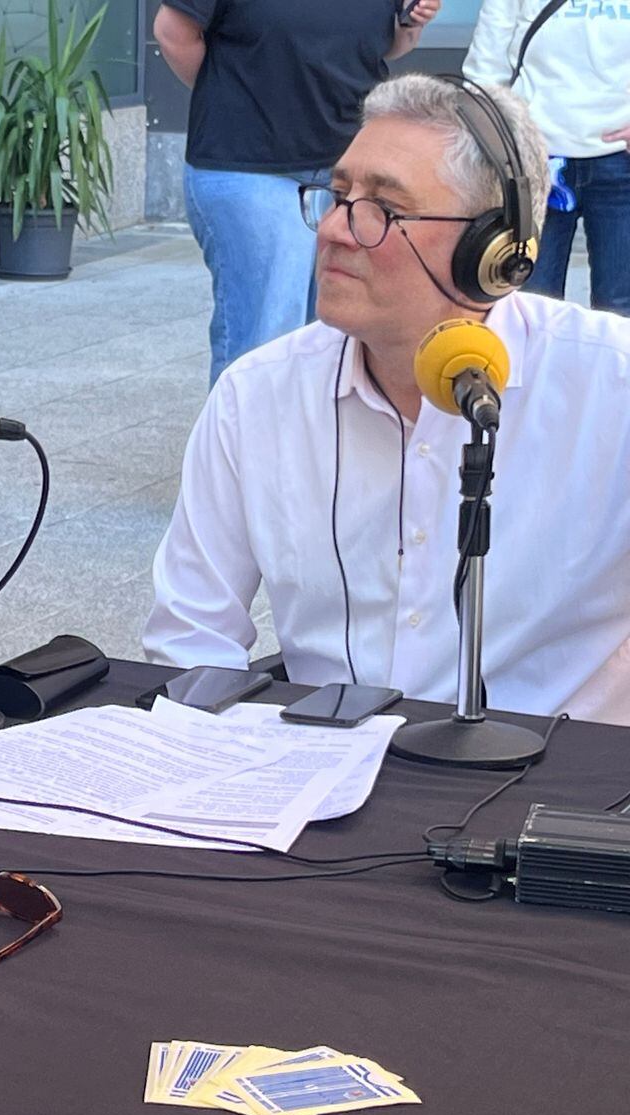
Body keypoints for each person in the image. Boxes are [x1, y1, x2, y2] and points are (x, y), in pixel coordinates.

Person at [143, 75, 630, 724]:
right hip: (319, 780)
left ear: (493, 252)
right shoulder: (254, 397)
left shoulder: (613, 383)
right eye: (339, 195)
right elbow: (189, 641)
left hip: (552, 790)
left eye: (384, 209)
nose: (337, 231)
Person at [154, 0, 441, 388]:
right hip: (250, 163)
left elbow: (384, 44)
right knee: (266, 339)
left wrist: (411, 25)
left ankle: (306, 447)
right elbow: (172, 33)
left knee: (331, 338)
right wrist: (235, 96)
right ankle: (245, 447)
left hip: (345, 172)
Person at [465, 0, 630, 317]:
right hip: (535, 164)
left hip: (620, 162)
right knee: (529, 304)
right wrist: (503, 140)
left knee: (620, 307)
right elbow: (485, 70)